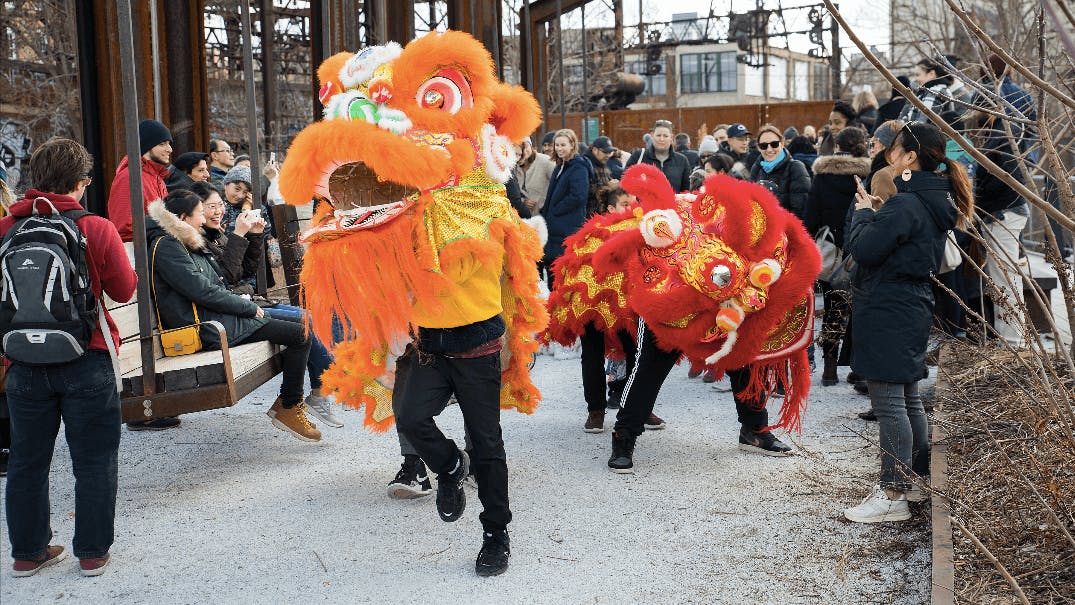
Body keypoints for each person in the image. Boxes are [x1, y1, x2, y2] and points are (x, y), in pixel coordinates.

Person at [3, 138, 137, 577]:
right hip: (87, 358)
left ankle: (27, 553)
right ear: (80, 184)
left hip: (22, 362)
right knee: (94, 459)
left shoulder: (6, 229)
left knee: (26, 459)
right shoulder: (94, 227)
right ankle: (93, 553)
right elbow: (124, 289)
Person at [843, 121, 974, 523]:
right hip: (910, 303)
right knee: (907, 396)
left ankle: (893, 494)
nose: (889, 155)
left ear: (910, 157)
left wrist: (865, 214)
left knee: (889, 403)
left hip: (889, 305)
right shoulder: (931, 200)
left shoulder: (906, 203)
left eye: (895, 150)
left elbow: (864, 250)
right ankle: (913, 480)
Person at [145, 189, 320, 441]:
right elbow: (203, 292)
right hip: (204, 326)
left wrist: (243, 299)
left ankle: (291, 403)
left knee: (301, 325)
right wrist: (247, 307)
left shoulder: (185, 241)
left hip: (215, 316)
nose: (204, 219)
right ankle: (290, 406)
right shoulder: (168, 247)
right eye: (199, 214)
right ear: (182, 217)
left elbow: (222, 281)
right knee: (299, 332)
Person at [577, 185, 653, 434]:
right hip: (594, 304)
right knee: (591, 353)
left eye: (635, 202)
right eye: (625, 204)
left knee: (638, 353)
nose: (632, 208)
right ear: (610, 209)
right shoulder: (593, 233)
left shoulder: (642, 232)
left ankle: (638, 407)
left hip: (629, 305)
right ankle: (595, 411)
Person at [804, 127, 871, 387]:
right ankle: (859, 367)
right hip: (861, 248)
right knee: (861, 309)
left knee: (832, 308)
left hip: (831, 254)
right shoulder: (866, 175)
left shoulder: (822, 176)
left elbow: (810, 218)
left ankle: (829, 369)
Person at [973, 103, 1030, 347]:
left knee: (1005, 279)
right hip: (1002, 212)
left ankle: (1013, 340)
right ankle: (1010, 339)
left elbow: (1004, 178)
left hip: (1004, 213)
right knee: (1003, 278)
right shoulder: (1001, 131)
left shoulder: (1003, 133)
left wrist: (978, 198)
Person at [539, 129, 590, 287]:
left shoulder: (578, 167)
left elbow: (579, 196)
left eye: (563, 145)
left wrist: (556, 210)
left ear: (572, 145)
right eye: (557, 145)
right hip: (556, 226)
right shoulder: (561, 166)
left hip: (567, 226)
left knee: (562, 272)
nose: (559, 148)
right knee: (553, 269)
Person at [107, 119, 172, 243]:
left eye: (169, 143)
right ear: (147, 145)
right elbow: (123, 228)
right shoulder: (129, 177)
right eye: (162, 144)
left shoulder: (158, 178)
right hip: (140, 256)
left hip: (156, 251)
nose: (170, 149)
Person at [747, 124, 811, 220]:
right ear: (759, 148)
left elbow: (800, 210)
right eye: (763, 146)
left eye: (774, 144)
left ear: (782, 143)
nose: (769, 149)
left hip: (786, 230)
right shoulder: (757, 168)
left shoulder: (795, 167)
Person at [625, 120, 692, 192]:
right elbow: (625, 182)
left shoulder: (681, 160)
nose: (661, 139)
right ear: (652, 135)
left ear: (671, 137)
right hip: (642, 203)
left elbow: (686, 190)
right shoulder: (638, 156)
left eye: (665, 136)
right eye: (658, 135)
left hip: (671, 203)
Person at [898, 57, 959, 127]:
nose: (916, 79)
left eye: (918, 75)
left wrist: (902, 126)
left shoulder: (934, 92)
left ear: (931, 74)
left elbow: (922, 125)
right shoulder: (928, 91)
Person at [512, 137, 555, 216]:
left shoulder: (546, 161)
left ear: (531, 146)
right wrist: (523, 201)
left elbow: (558, 185)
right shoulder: (512, 165)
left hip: (545, 216)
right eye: (520, 147)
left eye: (526, 146)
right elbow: (511, 193)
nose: (524, 151)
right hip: (524, 218)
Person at [584, 136, 615, 216]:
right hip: (589, 215)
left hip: (600, 213)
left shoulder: (602, 163)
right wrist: (608, 186)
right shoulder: (585, 165)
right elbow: (584, 190)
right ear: (594, 150)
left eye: (610, 152)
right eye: (605, 152)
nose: (608, 155)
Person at [220, 165, 254, 234]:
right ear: (226, 185)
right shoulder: (215, 205)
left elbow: (264, 234)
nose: (240, 196)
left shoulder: (249, 207)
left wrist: (255, 210)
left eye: (245, 192)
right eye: (237, 189)